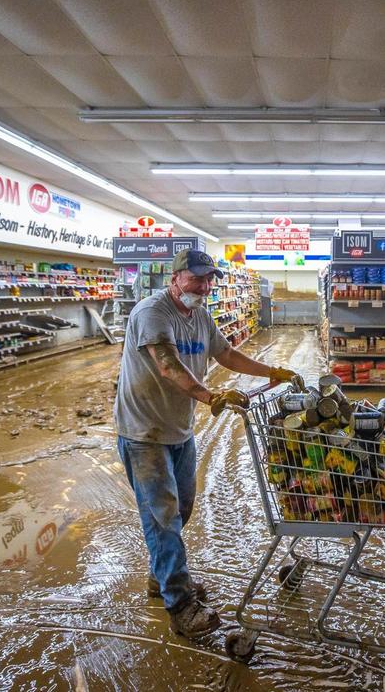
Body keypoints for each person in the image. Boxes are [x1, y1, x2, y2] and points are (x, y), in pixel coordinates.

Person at [113, 248, 297, 638]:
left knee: (183, 506)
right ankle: (180, 605)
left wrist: (272, 371)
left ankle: (161, 577)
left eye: (209, 278)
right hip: (143, 431)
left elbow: (226, 353)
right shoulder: (152, 312)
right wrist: (209, 396)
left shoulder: (200, 315)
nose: (205, 285)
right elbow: (166, 364)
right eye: (197, 278)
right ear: (176, 278)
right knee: (163, 516)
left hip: (178, 428)